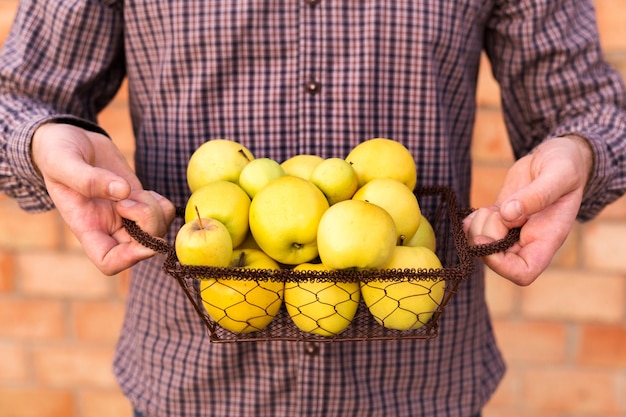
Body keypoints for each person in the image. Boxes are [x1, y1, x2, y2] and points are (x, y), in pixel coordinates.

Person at [1, 1, 625, 416]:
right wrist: (39, 138)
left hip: (419, 386)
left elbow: (585, 107)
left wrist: (579, 152)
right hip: (195, 382)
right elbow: (19, 96)